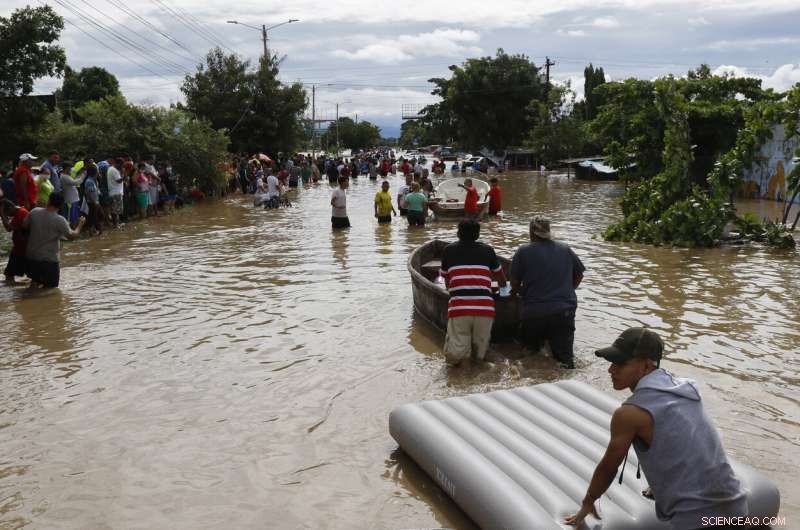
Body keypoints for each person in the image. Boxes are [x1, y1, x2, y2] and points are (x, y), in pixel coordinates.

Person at [566, 328, 748, 530]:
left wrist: (588, 502)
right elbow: (683, 442)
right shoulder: (688, 389)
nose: (611, 370)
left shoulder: (630, 414)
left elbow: (608, 467)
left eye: (620, 363)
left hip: (697, 520)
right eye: (611, 363)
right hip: (737, 507)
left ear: (645, 366)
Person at [510, 217, 585, 368]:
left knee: (530, 357)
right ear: (549, 232)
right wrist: (568, 290)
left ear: (532, 233)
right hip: (564, 311)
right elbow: (579, 275)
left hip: (534, 312)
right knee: (565, 361)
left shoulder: (523, 251)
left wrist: (517, 294)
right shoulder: (565, 248)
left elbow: (514, 282)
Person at [439, 220, 508, 365]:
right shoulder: (488, 250)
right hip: (485, 309)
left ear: (458, 234)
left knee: (457, 357)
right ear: (478, 235)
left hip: (459, 309)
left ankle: (461, 382)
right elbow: (502, 281)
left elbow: (446, 281)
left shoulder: (449, 250)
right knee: (479, 357)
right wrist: (502, 292)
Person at [22, 193, 86, 288]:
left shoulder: (34, 212)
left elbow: (24, 226)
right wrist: (80, 224)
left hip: (32, 258)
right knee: (51, 290)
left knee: (34, 285)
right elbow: (72, 236)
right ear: (60, 205)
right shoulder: (59, 220)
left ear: (49, 201)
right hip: (49, 260)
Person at [1, 199, 29, 284]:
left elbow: (9, 228)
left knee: (9, 275)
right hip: (19, 249)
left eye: (6, 213)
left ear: (10, 208)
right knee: (10, 275)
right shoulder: (19, 212)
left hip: (23, 250)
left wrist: (2, 214)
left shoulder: (21, 213)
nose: (7, 216)